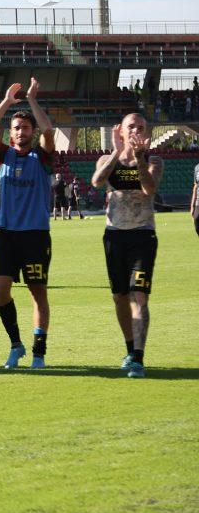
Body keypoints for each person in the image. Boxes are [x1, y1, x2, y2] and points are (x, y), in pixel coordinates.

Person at [0, 78, 55, 369]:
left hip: (35, 236)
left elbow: (49, 131)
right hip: (7, 236)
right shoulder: (5, 156)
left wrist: (32, 99)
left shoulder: (42, 157)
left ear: (31, 132)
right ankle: (16, 344)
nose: (21, 131)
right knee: (1, 291)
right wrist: (7, 103)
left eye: (25, 127)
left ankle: (39, 352)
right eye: (16, 128)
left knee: (38, 293)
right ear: (10, 135)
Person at [91, 115, 163, 378]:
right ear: (120, 131)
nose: (136, 131)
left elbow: (149, 189)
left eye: (140, 128)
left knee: (139, 296)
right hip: (114, 237)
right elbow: (97, 181)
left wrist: (140, 158)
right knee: (120, 297)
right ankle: (130, 350)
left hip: (142, 236)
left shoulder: (154, 161)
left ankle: (139, 358)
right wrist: (116, 152)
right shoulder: (108, 161)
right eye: (131, 127)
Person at [192, 161, 199, 238]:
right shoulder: (197, 167)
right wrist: (192, 206)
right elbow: (195, 186)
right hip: (198, 201)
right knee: (196, 221)